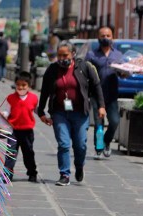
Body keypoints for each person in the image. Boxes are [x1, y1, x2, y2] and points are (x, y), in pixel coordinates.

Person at [37, 41, 106, 186]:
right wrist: (41, 111)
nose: (62, 58)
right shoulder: (52, 70)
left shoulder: (84, 67)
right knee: (63, 144)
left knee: (80, 144)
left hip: (80, 112)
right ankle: (64, 174)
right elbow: (44, 91)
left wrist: (101, 106)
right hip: (59, 113)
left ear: (73, 54)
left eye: (65, 55)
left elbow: (96, 85)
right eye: (59, 55)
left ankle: (79, 165)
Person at [85, 26, 123, 159]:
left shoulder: (117, 55)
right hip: (96, 94)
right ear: (98, 38)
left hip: (112, 94)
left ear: (112, 37)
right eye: (103, 36)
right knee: (98, 123)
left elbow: (123, 73)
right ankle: (99, 148)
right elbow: (85, 72)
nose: (105, 38)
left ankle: (107, 141)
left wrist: (124, 72)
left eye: (108, 36)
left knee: (114, 121)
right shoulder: (91, 55)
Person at [3, 72, 39, 182]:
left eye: (24, 85)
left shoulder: (34, 98)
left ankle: (32, 173)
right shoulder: (10, 98)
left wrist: (45, 117)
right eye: (18, 85)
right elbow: (6, 111)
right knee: (10, 153)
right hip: (13, 131)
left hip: (27, 131)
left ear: (29, 85)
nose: (21, 87)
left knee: (28, 153)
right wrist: (1, 116)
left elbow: (37, 110)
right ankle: (7, 174)